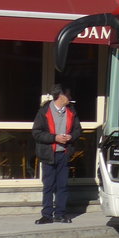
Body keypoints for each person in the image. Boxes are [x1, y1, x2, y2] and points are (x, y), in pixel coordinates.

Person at [32, 85, 82, 224]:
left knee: (62, 185)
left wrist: (71, 137)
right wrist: (55, 138)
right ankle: (47, 215)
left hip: (64, 153)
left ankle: (60, 214)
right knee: (48, 185)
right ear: (61, 96)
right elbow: (36, 133)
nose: (70, 98)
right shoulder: (44, 111)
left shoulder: (71, 111)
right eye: (68, 95)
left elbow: (78, 130)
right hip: (48, 154)